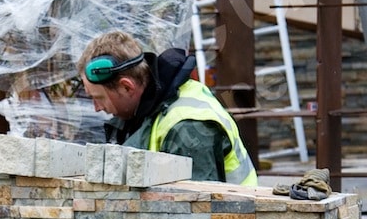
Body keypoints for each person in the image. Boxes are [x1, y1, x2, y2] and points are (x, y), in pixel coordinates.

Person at [77, 30, 258, 186]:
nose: (96, 108)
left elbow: (199, 213)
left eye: (97, 98)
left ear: (127, 87)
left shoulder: (189, 128)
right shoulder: (144, 109)